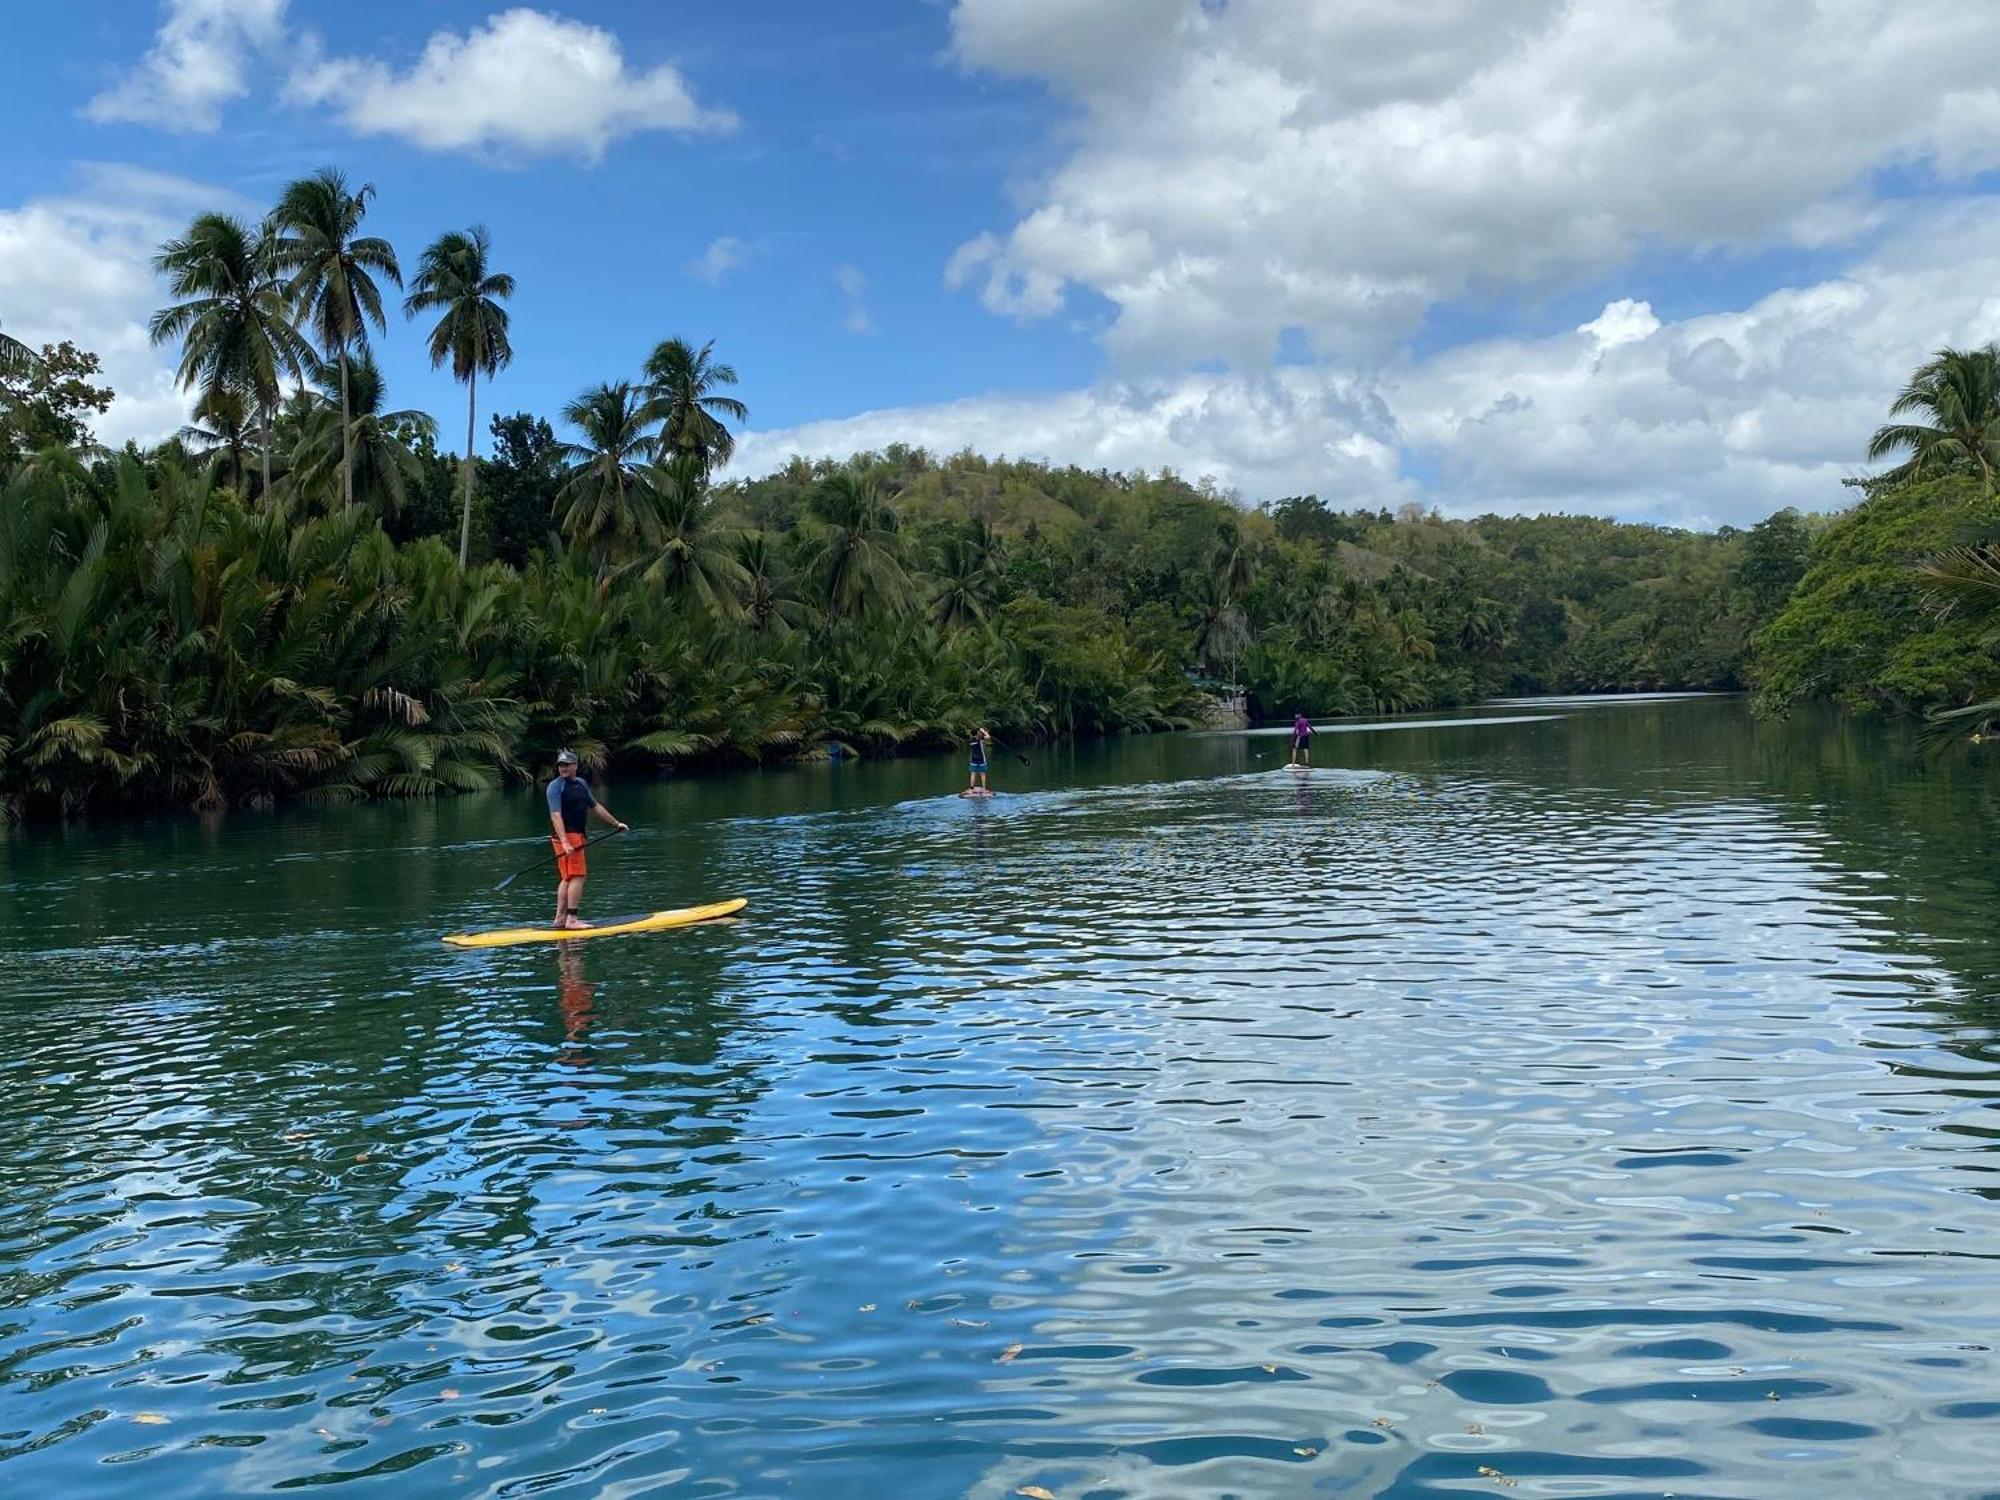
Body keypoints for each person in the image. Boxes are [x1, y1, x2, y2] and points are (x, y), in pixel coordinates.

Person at [546, 749, 627, 930]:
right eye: (561, 765)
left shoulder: (581, 784)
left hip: (575, 836)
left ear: (575, 765)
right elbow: (555, 816)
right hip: (567, 837)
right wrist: (566, 842)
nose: (563, 768)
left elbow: (596, 807)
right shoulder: (555, 786)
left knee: (567, 878)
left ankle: (560, 919)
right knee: (578, 876)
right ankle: (572, 920)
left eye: (567, 765)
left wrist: (616, 824)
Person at [968, 725, 993, 793]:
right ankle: (984, 788)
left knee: (973, 774)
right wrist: (983, 731)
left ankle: (971, 788)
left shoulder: (970, 740)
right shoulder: (980, 739)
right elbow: (988, 737)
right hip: (981, 759)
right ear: (977, 733)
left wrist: (979, 730)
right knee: (982, 774)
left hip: (973, 760)